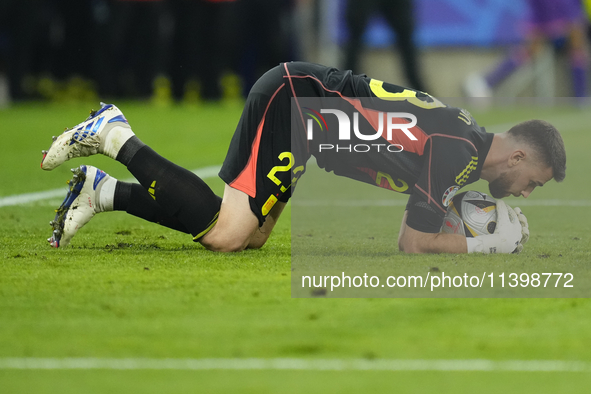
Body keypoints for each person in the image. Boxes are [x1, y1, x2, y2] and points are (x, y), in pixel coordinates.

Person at [40, 62, 565, 254]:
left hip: (307, 130)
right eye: (532, 182)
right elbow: (413, 242)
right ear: (518, 154)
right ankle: (113, 135)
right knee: (227, 235)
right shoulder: (459, 149)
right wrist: (485, 247)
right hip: (293, 103)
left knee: (255, 235)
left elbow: (433, 194)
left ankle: (102, 191)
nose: (525, 192)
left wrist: (478, 219)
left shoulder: (466, 147)